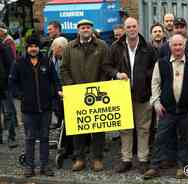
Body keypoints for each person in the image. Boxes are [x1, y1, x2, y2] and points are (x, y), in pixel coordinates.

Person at [143, 34, 188, 179]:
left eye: (180, 45)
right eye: (174, 45)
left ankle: (182, 166)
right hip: (166, 110)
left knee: (186, 138)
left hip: (186, 110)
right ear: (170, 46)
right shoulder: (161, 63)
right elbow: (155, 84)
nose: (177, 47)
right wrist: (156, 102)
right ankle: (154, 167)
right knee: (160, 138)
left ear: (185, 46)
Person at [103, 17, 157, 174]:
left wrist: (143, 77)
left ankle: (143, 160)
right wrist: (116, 73)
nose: (132, 29)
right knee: (125, 128)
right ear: (125, 29)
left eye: (134, 26)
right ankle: (126, 160)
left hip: (144, 94)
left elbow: (156, 67)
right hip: (123, 95)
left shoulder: (148, 47)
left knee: (143, 128)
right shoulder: (116, 47)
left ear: (138, 27)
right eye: (129, 26)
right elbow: (106, 65)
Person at [9, 35, 61, 177]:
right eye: (31, 46)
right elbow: (12, 84)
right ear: (27, 48)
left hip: (45, 108)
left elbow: (55, 81)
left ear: (39, 48)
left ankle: (45, 166)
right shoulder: (18, 63)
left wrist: (56, 92)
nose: (33, 49)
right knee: (30, 138)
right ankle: (29, 167)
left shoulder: (47, 62)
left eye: (35, 46)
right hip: (28, 109)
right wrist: (21, 96)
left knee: (45, 137)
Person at [60, 19, 109, 172]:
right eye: (82, 27)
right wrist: (71, 86)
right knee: (78, 127)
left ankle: (97, 158)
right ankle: (79, 158)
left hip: (96, 92)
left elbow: (106, 67)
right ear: (78, 30)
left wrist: (100, 85)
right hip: (76, 93)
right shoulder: (69, 47)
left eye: (88, 27)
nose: (85, 29)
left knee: (98, 127)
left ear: (92, 29)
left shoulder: (101, 46)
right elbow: (64, 69)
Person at [0, 22, 18, 148]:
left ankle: (11, 136)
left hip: (5, 85)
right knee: (8, 111)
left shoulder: (4, 47)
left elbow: (11, 65)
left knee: (9, 111)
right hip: (5, 84)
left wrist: (9, 81)